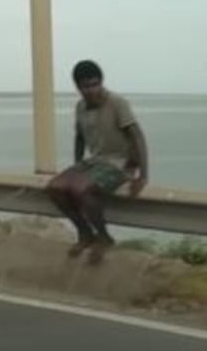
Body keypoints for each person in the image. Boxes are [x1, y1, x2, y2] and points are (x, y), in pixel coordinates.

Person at [46, 60, 149, 264]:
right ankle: (85, 233)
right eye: (86, 86)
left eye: (95, 84)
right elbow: (80, 137)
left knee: (81, 190)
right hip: (95, 161)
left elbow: (138, 136)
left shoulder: (117, 103)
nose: (92, 90)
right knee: (55, 188)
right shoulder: (80, 107)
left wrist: (143, 176)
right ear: (78, 87)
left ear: (101, 82)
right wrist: (76, 165)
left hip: (120, 163)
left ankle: (104, 237)